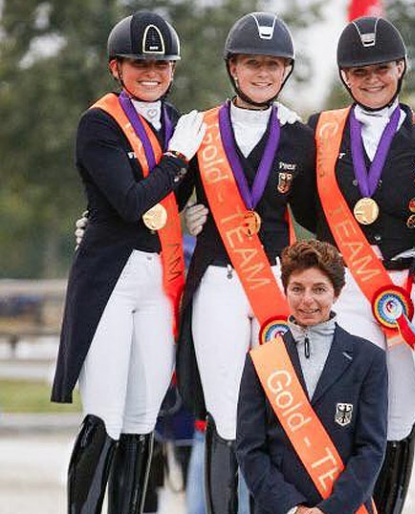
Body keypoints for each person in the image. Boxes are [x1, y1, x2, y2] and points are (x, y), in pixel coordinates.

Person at [50, 11, 205, 514]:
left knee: (143, 415)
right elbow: (132, 200)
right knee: (105, 413)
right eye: (139, 63)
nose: (151, 72)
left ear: (173, 69)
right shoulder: (99, 123)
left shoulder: (176, 120)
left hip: (157, 276)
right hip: (111, 277)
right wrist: (178, 161)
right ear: (117, 68)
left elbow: (185, 196)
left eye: (161, 64)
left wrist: (195, 212)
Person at [175, 12, 315, 514]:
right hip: (216, 280)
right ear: (234, 68)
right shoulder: (198, 129)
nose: (263, 73)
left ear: (286, 71)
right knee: (226, 415)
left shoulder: (299, 137)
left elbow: (321, 211)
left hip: (275, 284)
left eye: (274, 64)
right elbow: (159, 198)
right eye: (253, 63)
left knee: (278, 412)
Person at [304, 17, 415, 514]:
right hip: (344, 287)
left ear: (400, 68)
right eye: (358, 70)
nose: (371, 78)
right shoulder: (320, 132)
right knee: (342, 408)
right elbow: (280, 196)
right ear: (345, 75)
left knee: (399, 416)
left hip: (405, 291)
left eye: (381, 67)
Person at [236, 239, 388, 514]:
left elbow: (371, 449)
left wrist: (328, 510)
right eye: (297, 289)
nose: (307, 300)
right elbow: (250, 450)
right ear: (285, 291)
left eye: (319, 289)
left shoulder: (369, 359)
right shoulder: (261, 361)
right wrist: (293, 508)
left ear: (337, 293)